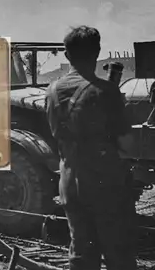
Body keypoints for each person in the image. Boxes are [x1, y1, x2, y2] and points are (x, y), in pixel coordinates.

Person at [45, 26, 137, 270]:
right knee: (120, 255)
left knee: (81, 255)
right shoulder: (106, 91)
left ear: (66, 56)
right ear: (97, 52)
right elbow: (127, 146)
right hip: (104, 184)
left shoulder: (52, 91)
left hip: (69, 182)